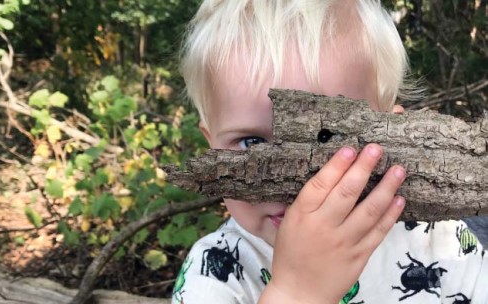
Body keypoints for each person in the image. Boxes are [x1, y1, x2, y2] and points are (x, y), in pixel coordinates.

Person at [172, 1, 487, 303]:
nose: (298, 182)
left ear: (395, 135)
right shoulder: (215, 275)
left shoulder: (437, 240)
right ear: (211, 145)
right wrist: (297, 294)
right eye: (252, 143)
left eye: (330, 138)